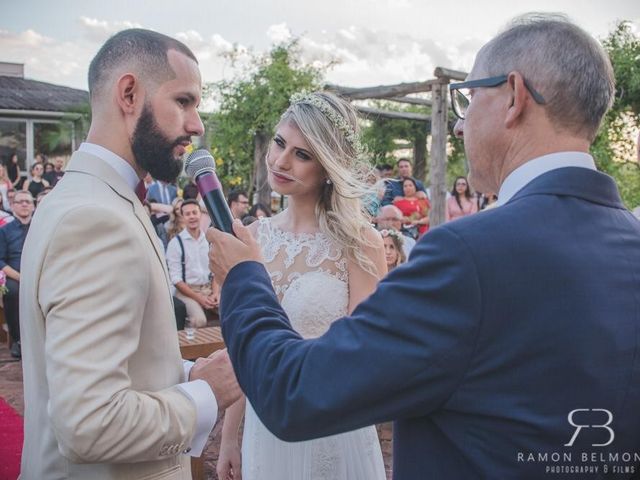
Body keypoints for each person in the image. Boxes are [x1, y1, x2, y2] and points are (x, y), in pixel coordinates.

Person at [207, 14, 640, 479]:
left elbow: (296, 393)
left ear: (513, 97)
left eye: (469, 99)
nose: (459, 126)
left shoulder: (466, 254)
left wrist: (243, 277)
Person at [20, 28, 241, 479]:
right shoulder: (95, 218)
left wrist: (178, 370)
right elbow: (89, 423)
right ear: (128, 94)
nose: (197, 124)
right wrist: (203, 395)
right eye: (183, 101)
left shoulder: (90, 199)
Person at [217, 91, 387, 480]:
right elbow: (241, 349)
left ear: (328, 166)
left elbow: (363, 355)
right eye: (279, 143)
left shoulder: (360, 242)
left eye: (302, 154)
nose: (280, 161)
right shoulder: (251, 238)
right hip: (265, 429)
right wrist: (229, 437)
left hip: (332, 425)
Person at [166, 199, 218, 328]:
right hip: (186, 292)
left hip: (209, 289)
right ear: (182, 217)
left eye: (194, 212)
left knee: (231, 314)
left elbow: (216, 270)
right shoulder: (175, 244)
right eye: (187, 214)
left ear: (200, 214)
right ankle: (193, 347)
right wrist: (199, 298)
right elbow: (176, 279)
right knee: (199, 320)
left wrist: (216, 293)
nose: (192, 216)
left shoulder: (208, 240)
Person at [0, 190, 34, 358]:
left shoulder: (40, 228)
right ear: (12, 206)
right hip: (15, 276)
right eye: (20, 201)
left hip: (39, 275)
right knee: (12, 292)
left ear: (33, 206)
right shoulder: (5, 231)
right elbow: (0, 260)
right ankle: (18, 340)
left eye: (28, 201)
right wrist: (21, 277)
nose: (24, 204)